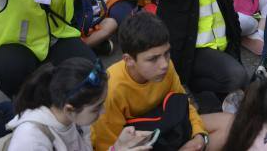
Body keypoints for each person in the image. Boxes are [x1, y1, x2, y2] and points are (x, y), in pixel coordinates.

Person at [91, 12, 232, 151]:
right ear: (128, 60)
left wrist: (199, 135)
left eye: (166, 53)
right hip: (141, 143)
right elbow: (108, 145)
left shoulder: (165, 66)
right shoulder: (110, 89)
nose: (164, 64)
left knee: (232, 124)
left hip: (169, 128)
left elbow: (183, 103)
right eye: (153, 59)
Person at [4, 57, 153, 151]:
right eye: (96, 108)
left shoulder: (75, 119)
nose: (103, 111)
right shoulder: (31, 141)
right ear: (70, 109)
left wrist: (118, 147)